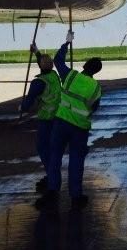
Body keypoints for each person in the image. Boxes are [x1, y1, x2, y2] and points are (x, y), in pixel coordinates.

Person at [36, 31, 102, 210]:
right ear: (97, 71)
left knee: (55, 157)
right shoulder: (96, 87)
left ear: (85, 65)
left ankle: (52, 191)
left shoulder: (71, 76)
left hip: (61, 123)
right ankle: (76, 196)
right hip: (80, 129)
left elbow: (57, 61)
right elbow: (94, 108)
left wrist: (67, 43)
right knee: (76, 161)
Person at [21, 44, 61, 192]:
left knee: (43, 149)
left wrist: (22, 108)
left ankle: (51, 177)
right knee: (53, 148)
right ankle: (51, 175)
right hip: (57, 117)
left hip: (46, 119)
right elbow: (43, 63)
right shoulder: (54, 76)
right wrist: (37, 52)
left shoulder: (39, 82)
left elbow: (29, 100)